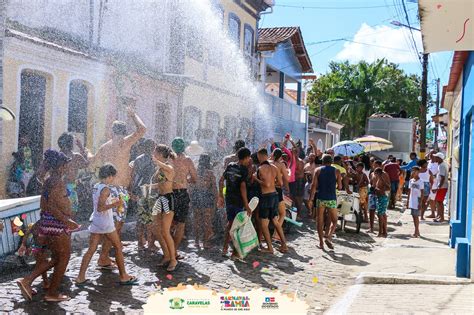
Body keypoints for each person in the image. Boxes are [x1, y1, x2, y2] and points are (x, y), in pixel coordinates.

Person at [17, 150, 80, 302]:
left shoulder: (49, 181)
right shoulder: (57, 181)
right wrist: (67, 221)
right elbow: (51, 205)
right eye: (66, 165)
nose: (68, 167)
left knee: (56, 258)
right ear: (60, 166)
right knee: (64, 257)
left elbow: (44, 204)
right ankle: (50, 293)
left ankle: (29, 281)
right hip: (57, 225)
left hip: (49, 223)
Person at [90, 106, 146, 269]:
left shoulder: (105, 146)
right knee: (116, 224)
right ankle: (104, 257)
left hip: (110, 189)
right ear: (123, 132)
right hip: (118, 191)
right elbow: (142, 129)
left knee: (112, 224)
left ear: (112, 131)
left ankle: (105, 254)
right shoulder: (124, 142)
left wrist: (85, 151)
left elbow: (92, 163)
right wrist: (133, 115)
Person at [75, 164, 138, 285]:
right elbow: (100, 207)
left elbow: (100, 203)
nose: (113, 179)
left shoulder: (96, 186)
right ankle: (124, 276)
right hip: (105, 223)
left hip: (96, 222)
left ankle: (80, 277)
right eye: (113, 177)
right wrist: (117, 203)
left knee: (91, 250)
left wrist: (113, 201)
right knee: (118, 247)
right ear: (109, 176)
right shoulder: (106, 189)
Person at [218, 147, 252, 259]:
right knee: (238, 226)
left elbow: (221, 180)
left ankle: (225, 248)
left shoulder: (230, 166)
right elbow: (243, 187)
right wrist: (246, 205)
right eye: (249, 158)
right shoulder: (244, 170)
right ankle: (235, 253)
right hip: (238, 202)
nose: (249, 160)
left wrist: (220, 196)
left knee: (230, 223)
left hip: (229, 200)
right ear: (246, 158)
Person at [254, 148, 288, 254]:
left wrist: (256, 179)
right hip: (275, 195)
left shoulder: (260, 168)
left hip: (266, 197)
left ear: (260, 156)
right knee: (275, 221)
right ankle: (284, 245)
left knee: (264, 224)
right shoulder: (274, 167)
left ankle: (270, 248)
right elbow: (280, 183)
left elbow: (266, 184)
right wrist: (272, 183)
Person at [150, 145, 178, 271]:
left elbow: (170, 171)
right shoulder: (159, 168)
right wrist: (149, 187)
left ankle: (173, 260)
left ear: (160, 154)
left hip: (167, 198)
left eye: (155, 152)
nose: (153, 153)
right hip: (159, 199)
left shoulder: (168, 167)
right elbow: (162, 183)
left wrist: (157, 162)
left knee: (165, 231)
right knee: (157, 229)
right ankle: (166, 256)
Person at [170, 137, 197, 260]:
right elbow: (195, 179)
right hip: (181, 193)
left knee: (168, 224)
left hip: (168, 193)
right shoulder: (187, 161)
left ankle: (167, 251)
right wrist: (185, 180)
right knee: (180, 224)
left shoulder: (168, 160)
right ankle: (174, 252)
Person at [308, 154, 342, 250]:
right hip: (331, 198)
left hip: (320, 198)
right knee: (334, 220)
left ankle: (321, 243)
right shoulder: (337, 171)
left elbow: (313, 186)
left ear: (322, 162)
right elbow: (340, 187)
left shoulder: (318, 170)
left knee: (320, 220)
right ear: (331, 162)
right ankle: (329, 236)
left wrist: (310, 199)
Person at [130, 138, 158, 251]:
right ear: (152, 148)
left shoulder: (138, 159)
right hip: (151, 190)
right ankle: (151, 243)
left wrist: (132, 190)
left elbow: (133, 176)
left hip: (140, 190)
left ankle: (140, 242)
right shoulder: (155, 160)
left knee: (141, 218)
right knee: (151, 218)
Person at [57, 132, 90, 215]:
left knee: (60, 213)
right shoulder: (76, 156)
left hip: (58, 187)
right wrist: (81, 147)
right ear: (71, 144)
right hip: (71, 188)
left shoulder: (57, 156)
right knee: (72, 214)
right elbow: (86, 164)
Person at [16, 221, 49, 297]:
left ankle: (46, 283)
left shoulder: (38, 223)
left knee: (41, 265)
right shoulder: (47, 221)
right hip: (41, 247)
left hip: (37, 247)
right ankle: (26, 283)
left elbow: (28, 231)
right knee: (42, 265)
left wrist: (23, 245)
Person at [192, 154, 217, 249]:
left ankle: (196, 241)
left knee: (197, 220)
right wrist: (217, 198)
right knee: (207, 220)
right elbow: (214, 188)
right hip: (207, 196)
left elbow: (191, 186)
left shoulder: (195, 171)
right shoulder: (210, 173)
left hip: (196, 196)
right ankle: (206, 242)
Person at [269, 147, 290, 240]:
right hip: (277, 189)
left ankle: (262, 235)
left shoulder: (268, 163)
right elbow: (287, 179)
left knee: (269, 213)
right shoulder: (281, 165)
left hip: (267, 189)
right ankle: (276, 234)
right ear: (281, 156)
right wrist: (288, 172)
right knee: (282, 213)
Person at [373, 167, 391, 237]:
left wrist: (378, 190)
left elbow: (387, 188)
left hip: (382, 198)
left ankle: (380, 232)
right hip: (381, 197)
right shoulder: (379, 179)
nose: (375, 175)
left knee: (380, 214)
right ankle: (384, 232)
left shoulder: (382, 179)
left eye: (375, 173)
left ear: (378, 173)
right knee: (382, 214)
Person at [407, 166, 423, 237]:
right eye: (412, 171)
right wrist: (407, 201)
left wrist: (420, 202)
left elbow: (422, 192)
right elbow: (409, 191)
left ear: (418, 172)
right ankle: (417, 231)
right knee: (413, 216)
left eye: (415, 171)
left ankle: (416, 231)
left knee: (416, 216)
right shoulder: (411, 181)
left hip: (417, 200)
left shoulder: (421, 181)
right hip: (412, 200)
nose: (413, 172)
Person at [432, 152, 448, 223]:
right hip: (442, 186)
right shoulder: (441, 165)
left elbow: (442, 177)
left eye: (436, 157)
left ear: (439, 158)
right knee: (438, 202)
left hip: (442, 187)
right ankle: (439, 216)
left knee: (440, 202)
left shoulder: (441, 166)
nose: (434, 158)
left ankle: (442, 218)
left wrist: (438, 187)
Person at [426, 151, 439, 218]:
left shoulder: (437, 163)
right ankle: (433, 213)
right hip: (428, 182)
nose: (430, 155)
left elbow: (436, 174)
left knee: (434, 199)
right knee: (430, 198)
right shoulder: (429, 162)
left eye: (432, 154)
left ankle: (435, 214)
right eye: (430, 154)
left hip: (435, 183)